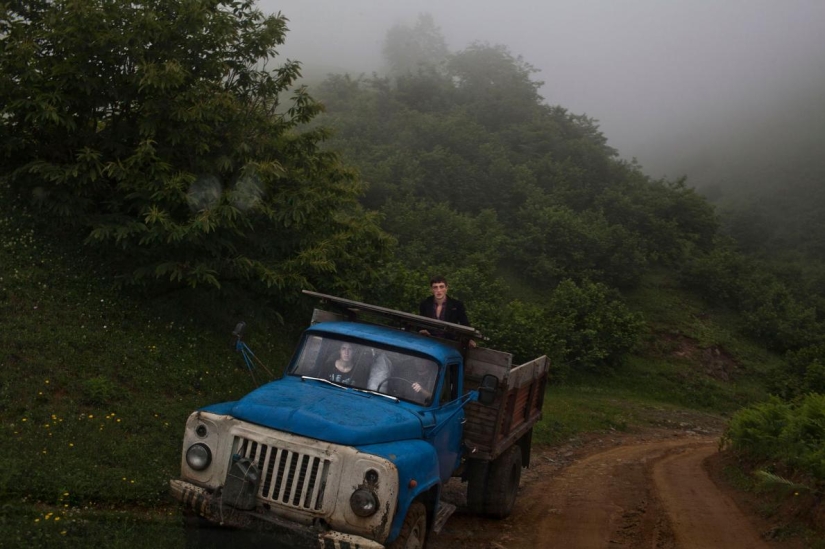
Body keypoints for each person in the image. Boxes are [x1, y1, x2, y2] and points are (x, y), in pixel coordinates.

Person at [418, 275, 476, 347]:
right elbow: (420, 322)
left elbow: (465, 323)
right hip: (428, 342)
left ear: (446, 288)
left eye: (441, 287)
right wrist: (422, 330)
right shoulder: (425, 304)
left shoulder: (457, 305)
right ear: (431, 290)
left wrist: (470, 339)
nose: (438, 290)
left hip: (449, 344)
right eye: (435, 287)